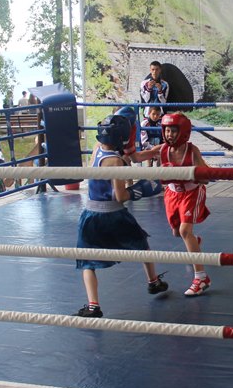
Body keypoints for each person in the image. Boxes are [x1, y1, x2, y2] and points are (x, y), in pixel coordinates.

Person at [73, 114, 169, 318]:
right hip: (113, 213)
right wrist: (140, 189)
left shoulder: (97, 149)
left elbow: (132, 157)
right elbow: (120, 196)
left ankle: (93, 305)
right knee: (142, 244)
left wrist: (153, 152)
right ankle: (153, 282)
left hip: (91, 214)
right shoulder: (115, 161)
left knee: (87, 261)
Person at [132, 112, 211, 296]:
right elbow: (136, 158)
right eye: (167, 130)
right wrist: (128, 143)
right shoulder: (162, 149)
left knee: (184, 231)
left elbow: (206, 178)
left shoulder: (192, 151)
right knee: (177, 232)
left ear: (183, 132)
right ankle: (194, 242)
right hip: (172, 194)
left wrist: (190, 172)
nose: (169, 134)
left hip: (191, 192)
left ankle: (201, 278)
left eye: (173, 131)